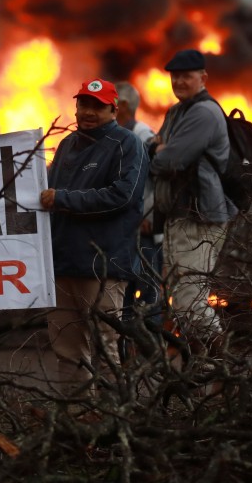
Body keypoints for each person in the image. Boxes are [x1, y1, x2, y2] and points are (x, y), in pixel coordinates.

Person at [39, 79, 146, 398]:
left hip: (104, 265)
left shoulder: (127, 144)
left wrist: (64, 199)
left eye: (97, 106)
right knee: (67, 351)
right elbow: (47, 195)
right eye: (83, 104)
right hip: (63, 263)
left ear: (114, 109)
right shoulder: (68, 144)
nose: (88, 112)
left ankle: (113, 427)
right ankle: (77, 422)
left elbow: (123, 197)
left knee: (105, 348)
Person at [148, 49, 235, 353]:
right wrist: (159, 151)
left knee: (189, 301)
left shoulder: (204, 112)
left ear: (203, 78)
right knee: (180, 297)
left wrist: (163, 152)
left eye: (186, 75)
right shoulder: (176, 112)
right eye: (175, 76)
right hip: (179, 215)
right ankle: (203, 368)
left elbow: (168, 160)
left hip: (200, 217)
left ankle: (221, 364)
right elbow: (154, 147)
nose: (179, 81)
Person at [115, 80, 161, 326]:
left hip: (143, 227)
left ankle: (152, 350)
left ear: (121, 104)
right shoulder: (115, 134)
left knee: (149, 288)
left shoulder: (143, 133)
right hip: (124, 226)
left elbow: (156, 177)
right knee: (126, 286)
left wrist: (148, 216)